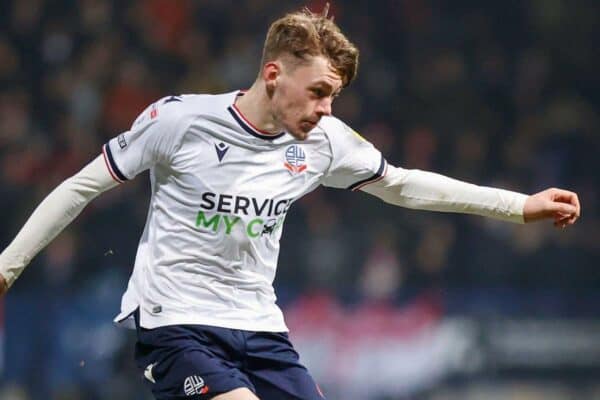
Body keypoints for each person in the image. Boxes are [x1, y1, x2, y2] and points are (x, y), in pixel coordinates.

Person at [0, 5, 580, 400]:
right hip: (177, 326)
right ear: (273, 74)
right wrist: (8, 264)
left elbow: (403, 184)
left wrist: (518, 205)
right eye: (320, 92)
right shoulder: (180, 121)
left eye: (335, 96)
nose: (327, 108)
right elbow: (81, 186)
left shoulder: (324, 142)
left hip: (261, 329)